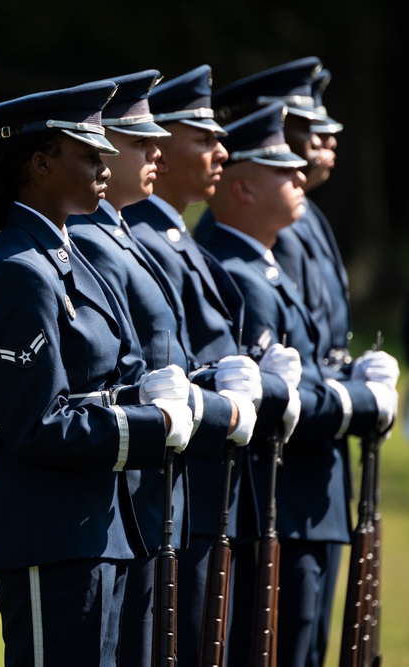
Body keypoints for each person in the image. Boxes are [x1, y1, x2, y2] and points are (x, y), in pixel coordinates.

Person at [0, 80, 195, 667]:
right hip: (49, 528)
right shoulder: (20, 270)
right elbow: (38, 424)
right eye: (89, 154)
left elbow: (112, 372)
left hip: (97, 523)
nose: (106, 163)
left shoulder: (65, 253)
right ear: (40, 164)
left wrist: (161, 395)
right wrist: (154, 424)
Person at [65, 69, 261, 666]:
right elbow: (129, 371)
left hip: (166, 484)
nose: (157, 151)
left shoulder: (122, 233)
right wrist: (206, 401)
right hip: (138, 485)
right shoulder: (98, 239)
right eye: (139, 142)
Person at [209, 59, 400, 665]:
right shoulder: (261, 236)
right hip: (283, 478)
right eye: (302, 132)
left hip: (312, 469)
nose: (322, 145)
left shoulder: (297, 219)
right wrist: (354, 400)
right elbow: (285, 356)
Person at [120, 65, 298, 663]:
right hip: (185, 488)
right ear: (161, 149)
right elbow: (167, 365)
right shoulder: (145, 237)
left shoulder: (174, 237)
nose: (220, 152)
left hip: (205, 488)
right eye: (203, 138)